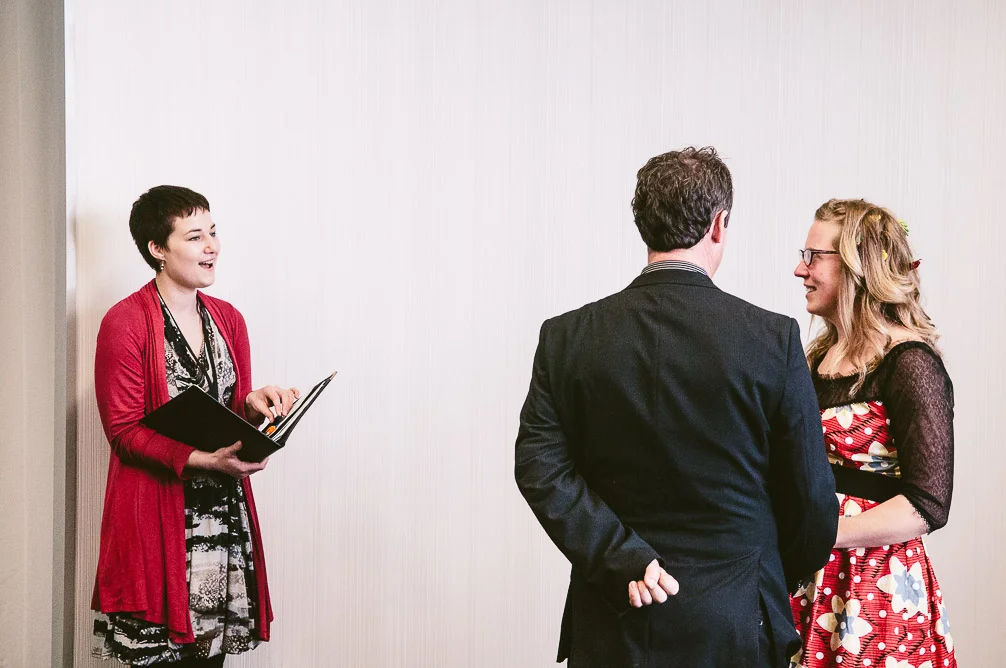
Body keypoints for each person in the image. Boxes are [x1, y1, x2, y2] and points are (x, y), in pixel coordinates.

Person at [515, 147, 839, 667]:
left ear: (643, 223)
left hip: (614, 618)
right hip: (736, 618)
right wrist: (765, 570)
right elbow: (812, 504)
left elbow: (540, 467)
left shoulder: (568, 338)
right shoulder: (772, 340)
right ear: (719, 224)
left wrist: (619, 556)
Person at [90, 186, 299, 667]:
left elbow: (229, 414)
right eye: (194, 236)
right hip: (156, 520)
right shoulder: (124, 322)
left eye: (213, 233)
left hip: (220, 520)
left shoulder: (229, 319)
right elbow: (123, 432)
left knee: (208, 660)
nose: (212, 247)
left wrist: (253, 406)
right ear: (157, 249)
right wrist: (202, 460)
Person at [790, 199, 956, 668]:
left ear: (857, 267)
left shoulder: (910, 363)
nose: (800, 269)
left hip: (877, 584)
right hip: (815, 577)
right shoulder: (816, 358)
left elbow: (929, 503)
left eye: (813, 256)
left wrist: (825, 534)